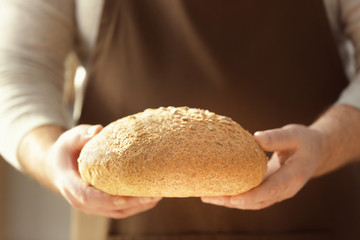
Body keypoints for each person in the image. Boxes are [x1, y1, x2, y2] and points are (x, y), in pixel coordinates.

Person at [1, 0, 360, 239]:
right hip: (123, 227)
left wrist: (326, 143)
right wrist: (50, 158)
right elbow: (14, 67)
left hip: (317, 216)